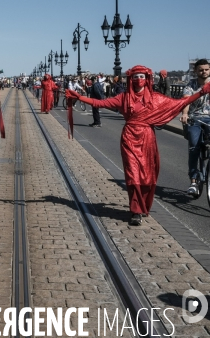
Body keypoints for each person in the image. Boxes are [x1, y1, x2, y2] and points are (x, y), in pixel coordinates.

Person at [66, 65, 210, 226]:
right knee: (133, 175)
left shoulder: (155, 98)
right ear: (131, 79)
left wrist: (201, 92)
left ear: (147, 79)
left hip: (147, 138)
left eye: (142, 77)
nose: (139, 80)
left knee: (147, 176)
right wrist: (79, 97)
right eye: (135, 77)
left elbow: (179, 103)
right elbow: (100, 103)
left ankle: (143, 206)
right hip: (129, 138)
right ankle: (136, 211)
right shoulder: (123, 97)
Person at [180, 59, 210, 196]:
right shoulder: (190, 85)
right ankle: (193, 180)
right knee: (193, 147)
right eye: (201, 70)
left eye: (206, 69)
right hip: (194, 118)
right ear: (196, 71)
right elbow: (186, 101)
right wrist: (185, 114)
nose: (204, 72)